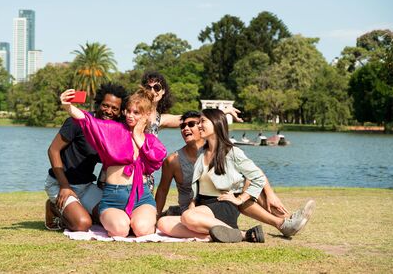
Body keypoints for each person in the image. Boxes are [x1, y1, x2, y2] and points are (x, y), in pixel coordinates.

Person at [156, 110, 315, 240]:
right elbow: (166, 190)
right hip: (200, 208)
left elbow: (255, 174)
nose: (186, 128)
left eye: (194, 124)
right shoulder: (182, 158)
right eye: (182, 126)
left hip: (220, 205)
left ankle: (285, 221)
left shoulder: (226, 151)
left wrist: (268, 193)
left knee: (242, 183)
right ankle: (225, 235)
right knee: (164, 223)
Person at [60, 87, 167, 237]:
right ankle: (124, 222)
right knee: (120, 230)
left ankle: (140, 221)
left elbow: (156, 159)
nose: (130, 115)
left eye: (136, 113)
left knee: (142, 230)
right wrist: (68, 106)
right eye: (128, 111)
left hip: (141, 197)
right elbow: (87, 121)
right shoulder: (112, 130)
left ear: (146, 115)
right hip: (113, 197)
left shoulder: (149, 140)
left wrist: (137, 134)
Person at [157, 109, 268, 243]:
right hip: (202, 206)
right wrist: (192, 206)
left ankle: (237, 233)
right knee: (164, 223)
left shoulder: (232, 152)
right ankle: (221, 235)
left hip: (222, 204)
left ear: (215, 124)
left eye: (202, 122)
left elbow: (258, 178)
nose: (199, 126)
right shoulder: (201, 154)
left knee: (187, 217)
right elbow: (197, 187)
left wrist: (241, 199)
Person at [45, 83, 127, 232]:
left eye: (114, 108)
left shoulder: (112, 132)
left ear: (120, 112)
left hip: (86, 186)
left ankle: (76, 207)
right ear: (98, 103)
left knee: (110, 220)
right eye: (105, 105)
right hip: (60, 183)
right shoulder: (77, 122)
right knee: (82, 224)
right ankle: (53, 207)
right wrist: (64, 186)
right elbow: (53, 150)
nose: (108, 111)